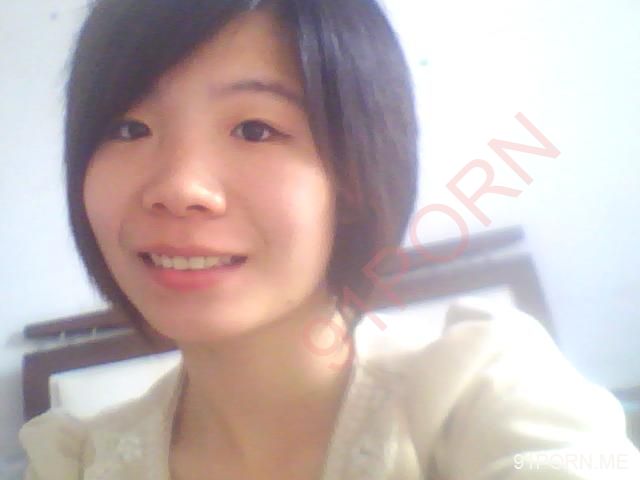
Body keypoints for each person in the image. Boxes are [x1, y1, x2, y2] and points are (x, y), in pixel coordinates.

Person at [19, 0, 640, 479]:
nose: (180, 187)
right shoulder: (74, 461)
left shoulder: (483, 400)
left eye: (255, 129)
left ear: (353, 178)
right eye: (129, 128)